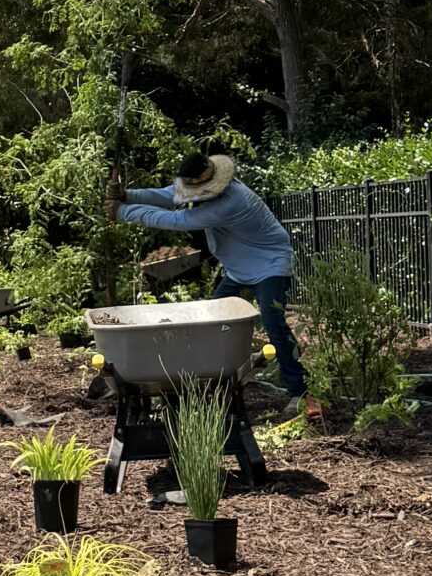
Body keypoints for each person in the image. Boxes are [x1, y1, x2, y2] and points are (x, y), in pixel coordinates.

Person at [109, 151, 305, 406]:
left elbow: (177, 219)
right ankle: (212, 382)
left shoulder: (232, 202)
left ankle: (300, 391)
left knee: (273, 323)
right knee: (211, 324)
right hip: (238, 268)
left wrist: (124, 212)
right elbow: (169, 195)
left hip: (270, 264)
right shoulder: (210, 188)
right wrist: (128, 195)